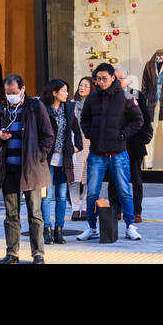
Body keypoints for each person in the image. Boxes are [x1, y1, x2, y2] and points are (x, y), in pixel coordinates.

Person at [0, 74, 55, 263]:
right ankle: (12, 253)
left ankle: (38, 253)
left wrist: (39, 155)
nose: (11, 96)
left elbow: (48, 135)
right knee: (11, 214)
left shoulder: (35, 107)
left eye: (14, 92)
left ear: (23, 89)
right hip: (8, 169)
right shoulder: (1, 109)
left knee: (35, 213)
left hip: (32, 169)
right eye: (8, 93)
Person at [78, 63, 143, 242]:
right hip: (97, 153)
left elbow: (139, 120)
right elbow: (84, 122)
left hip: (118, 153)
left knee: (124, 190)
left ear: (113, 77)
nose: (100, 82)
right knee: (92, 192)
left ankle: (130, 226)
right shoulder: (92, 99)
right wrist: (91, 133)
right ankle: (92, 227)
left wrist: (123, 134)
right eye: (98, 79)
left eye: (104, 78)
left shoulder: (125, 97)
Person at [39, 79, 82, 245]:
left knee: (62, 195)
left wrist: (76, 147)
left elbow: (76, 129)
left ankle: (59, 230)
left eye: (66, 90)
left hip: (64, 158)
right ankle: (46, 230)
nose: (66, 94)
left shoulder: (68, 108)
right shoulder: (42, 108)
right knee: (47, 196)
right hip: (47, 158)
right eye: (63, 91)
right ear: (54, 93)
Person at [115, 67, 154, 223]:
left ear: (127, 79)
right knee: (115, 178)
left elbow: (145, 118)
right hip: (115, 143)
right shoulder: (109, 95)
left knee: (136, 179)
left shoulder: (136, 95)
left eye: (121, 78)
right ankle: (116, 209)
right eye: (116, 78)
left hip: (135, 142)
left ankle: (136, 211)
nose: (119, 81)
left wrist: (145, 137)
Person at [69, 76, 95, 221]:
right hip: (76, 142)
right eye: (80, 85)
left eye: (86, 85)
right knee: (74, 176)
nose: (82, 87)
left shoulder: (94, 104)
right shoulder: (71, 104)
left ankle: (84, 207)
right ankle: (74, 208)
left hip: (90, 142)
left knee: (88, 176)